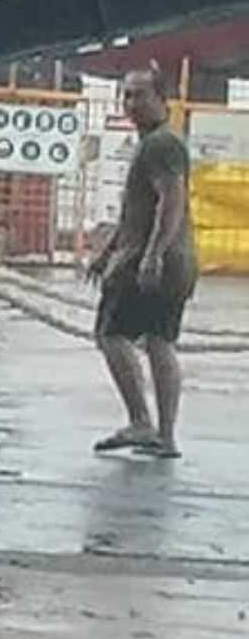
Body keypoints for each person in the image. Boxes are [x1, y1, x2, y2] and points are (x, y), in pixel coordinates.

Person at [85, 68, 198, 458]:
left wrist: (151, 254)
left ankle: (141, 421)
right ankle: (164, 435)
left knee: (110, 334)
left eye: (138, 95)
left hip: (149, 261)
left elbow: (171, 201)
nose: (131, 104)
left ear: (161, 98)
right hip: (171, 258)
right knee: (158, 340)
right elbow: (140, 209)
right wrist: (106, 251)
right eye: (126, 96)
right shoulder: (157, 142)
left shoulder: (160, 145)